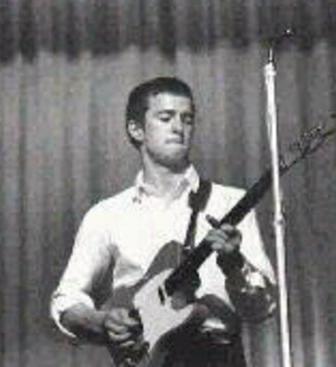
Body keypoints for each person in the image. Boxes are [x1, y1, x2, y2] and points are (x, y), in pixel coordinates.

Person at [51, 77, 276, 367]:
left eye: (187, 118)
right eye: (165, 117)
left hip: (218, 357)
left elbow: (262, 309)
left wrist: (234, 264)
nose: (178, 127)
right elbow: (66, 301)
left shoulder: (230, 202)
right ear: (136, 129)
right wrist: (103, 321)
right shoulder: (106, 214)